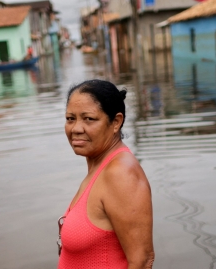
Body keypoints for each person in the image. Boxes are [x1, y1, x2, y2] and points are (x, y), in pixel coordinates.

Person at [58, 80, 154, 269]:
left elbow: (142, 261)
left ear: (116, 122)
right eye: (70, 118)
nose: (76, 128)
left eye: (89, 119)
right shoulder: (100, 168)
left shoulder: (120, 174)